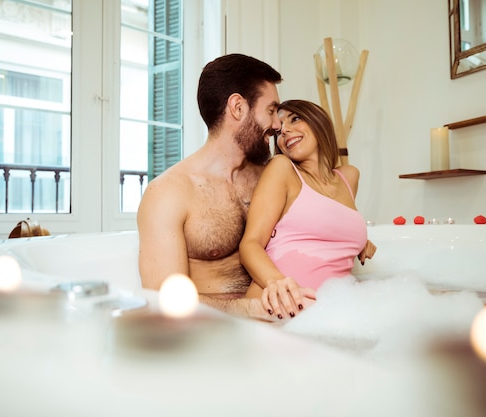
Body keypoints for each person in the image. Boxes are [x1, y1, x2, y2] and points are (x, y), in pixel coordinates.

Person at [137, 54, 311, 321]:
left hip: (282, 323)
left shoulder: (272, 178)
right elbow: (163, 299)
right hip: (212, 332)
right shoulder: (169, 193)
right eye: (271, 110)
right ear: (238, 107)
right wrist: (253, 309)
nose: (277, 125)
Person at [239, 99, 377, 320]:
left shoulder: (349, 176)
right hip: (279, 311)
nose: (285, 131)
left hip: (331, 314)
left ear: (318, 121)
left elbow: (332, 224)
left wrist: (361, 242)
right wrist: (279, 285)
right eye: (280, 131)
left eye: (295, 119)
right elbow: (250, 244)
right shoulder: (282, 169)